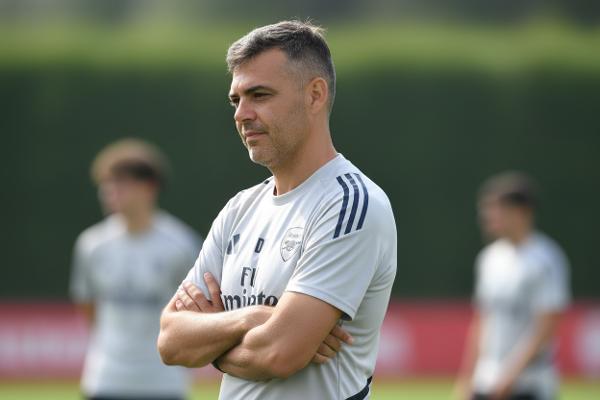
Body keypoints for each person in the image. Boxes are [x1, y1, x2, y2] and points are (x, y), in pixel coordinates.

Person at [157, 20, 397, 400]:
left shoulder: (350, 204)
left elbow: (279, 354)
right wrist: (253, 318)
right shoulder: (240, 209)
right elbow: (171, 340)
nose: (241, 113)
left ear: (315, 95)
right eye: (236, 100)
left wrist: (212, 340)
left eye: (259, 95)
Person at [70, 138, 202, 400]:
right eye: (106, 184)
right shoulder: (91, 244)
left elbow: (196, 310)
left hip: (163, 383)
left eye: (121, 184)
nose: (109, 192)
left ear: (149, 188)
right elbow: (88, 306)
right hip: (105, 380)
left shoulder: (181, 244)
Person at [456, 172, 571, 400]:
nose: (487, 216)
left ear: (521, 212)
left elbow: (546, 326)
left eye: (496, 208)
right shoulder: (489, 258)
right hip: (487, 380)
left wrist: (510, 376)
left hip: (529, 384)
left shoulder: (545, 259)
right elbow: (482, 321)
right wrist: (467, 378)